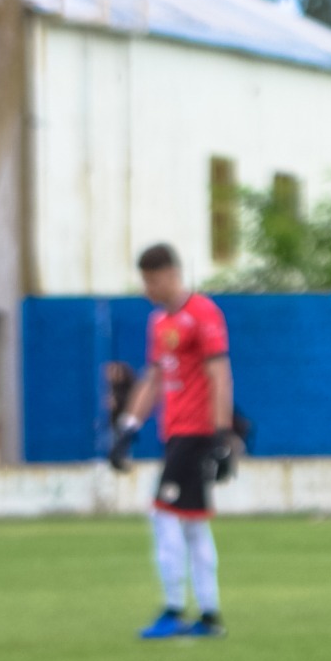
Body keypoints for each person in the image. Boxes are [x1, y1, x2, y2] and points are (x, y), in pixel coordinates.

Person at [114, 243, 235, 640]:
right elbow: (153, 378)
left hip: (196, 433)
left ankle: (173, 610)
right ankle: (209, 615)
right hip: (175, 433)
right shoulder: (158, 322)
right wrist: (128, 427)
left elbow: (220, 375)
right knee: (193, 526)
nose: (147, 287)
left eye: (151, 279)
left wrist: (221, 436)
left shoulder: (203, 314)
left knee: (164, 514)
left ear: (170, 274)